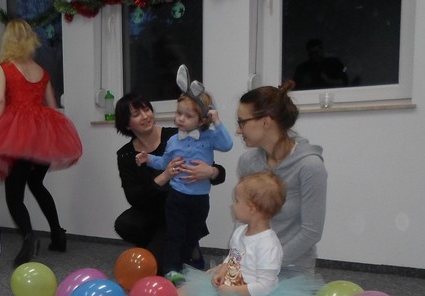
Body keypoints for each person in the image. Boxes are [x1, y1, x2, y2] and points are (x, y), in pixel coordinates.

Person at [0, 19, 82, 266]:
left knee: (14, 194)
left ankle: (29, 238)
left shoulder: (4, 68)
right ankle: (57, 234)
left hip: (17, 136)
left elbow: (0, 100)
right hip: (42, 136)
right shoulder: (42, 71)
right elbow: (52, 106)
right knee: (37, 183)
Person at [179, 171, 324, 296]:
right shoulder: (241, 231)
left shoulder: (267, 244)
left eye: (237, 201)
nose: (233, 205)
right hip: (232, 288)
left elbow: (264, 286)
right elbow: (234, 257)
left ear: (252, 208)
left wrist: (234, 291)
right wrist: (223, 270)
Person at [114, 93, 226, 274]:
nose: (145, 116)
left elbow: (219, 171)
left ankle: (185, 248)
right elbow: (133, 197)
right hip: (154, 212)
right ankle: (159, 246)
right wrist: (164, 176)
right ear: (127, 124)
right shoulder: (126, 154)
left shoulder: (176, 135)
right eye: (136, 114)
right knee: (124, 223)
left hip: (181, 209)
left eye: (146, 109)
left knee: (159, 267)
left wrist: (212, 171)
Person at [136, 69, 233, 280]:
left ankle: (188, 265)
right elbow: (164, 162)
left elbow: (227, 145)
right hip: (177, 198)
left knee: (192, 236)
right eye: (179, 113)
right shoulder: (173, 140)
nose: (180, 119)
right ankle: (171, 269)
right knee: (175, 236)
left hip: (200, 200)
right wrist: (148, 158)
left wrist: (217, 121)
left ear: (202, 120)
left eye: (188, 116)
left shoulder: (209, 137)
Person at [235, 81, 327, 278]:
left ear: (266, 122)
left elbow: (311, 232)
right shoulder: (248, 162)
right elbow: (243, 219)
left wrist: (267, 264)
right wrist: (235, 263)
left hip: (290, 269)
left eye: (242, 122)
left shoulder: (309, 166)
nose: (238, 131)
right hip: (251, 265)